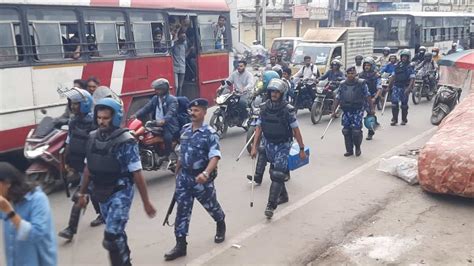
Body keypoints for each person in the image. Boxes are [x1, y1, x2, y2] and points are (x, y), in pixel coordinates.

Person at [77, 98, 157, 265]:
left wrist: (146, 202)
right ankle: (125, 259)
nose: (101, 121)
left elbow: (137, 173)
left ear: (114, 117)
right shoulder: (92, 138)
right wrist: (82, 193)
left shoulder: (126, 141)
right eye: (99, 118)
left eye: (105, 118)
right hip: (101, 191)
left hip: (121, 191)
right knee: (116, 232)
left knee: (111, 236)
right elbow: (88, 168)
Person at [164, 98, 226, 261]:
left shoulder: (209, 134)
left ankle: (220, 222)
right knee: (182, 212)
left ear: (205, 112)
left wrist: (205, 173)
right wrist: (177, 170)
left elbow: (215, 156)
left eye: (196, 110)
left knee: (211, 206)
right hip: (184, 177)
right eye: (191, 110)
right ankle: (180, 245)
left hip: (201, 179)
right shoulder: (185, 130)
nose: (192, 113)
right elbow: (182, 152)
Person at [251, 79, 306, 218]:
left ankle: (271, 205)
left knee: (278, 174)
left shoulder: (288, 110)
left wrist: (301, 148)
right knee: (273, 172)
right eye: (272, 91)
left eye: (277, 92)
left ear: (282, 93)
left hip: (283, 145)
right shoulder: (263, 108)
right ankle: (284, 195)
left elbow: (296, 130)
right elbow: (258, 128)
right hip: (268, 142)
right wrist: (254, 147)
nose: (274, 94)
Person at [57, 88, 103, 240]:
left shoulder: (94, 122)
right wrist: (66, 161)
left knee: (80, 195)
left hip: (91, 165)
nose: (72, 106)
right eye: (71, 103)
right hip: (79, 164)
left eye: (76, 104)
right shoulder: (73, 121)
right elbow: (70, 141)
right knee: (93, 191)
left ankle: (71, 229)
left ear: (84, 104)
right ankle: (103, 215)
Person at [0, 162, 57, 266]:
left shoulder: (37, 199)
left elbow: (36, 233)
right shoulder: (8, 200)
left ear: (7, 183)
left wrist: (10, 212)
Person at [131, 78, 179, 161]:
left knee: (167, 137)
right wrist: (136, 115)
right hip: (156, 124)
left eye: (158, 89)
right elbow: (146, 108)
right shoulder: (155, 98)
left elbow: (171, 112)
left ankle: (168, 155)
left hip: (169, 125)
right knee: (142, 133)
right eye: (156, 89)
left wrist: (164, 120)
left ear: (164, 89)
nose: (156, 91)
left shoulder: (172, 100)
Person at [331, 66, 374, 156]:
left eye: (352, 73)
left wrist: (372, 108)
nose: (350, 75)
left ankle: (357, 148)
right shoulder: (342, 84)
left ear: (355, 74)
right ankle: (349, 150)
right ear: (346, 74)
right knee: (346, 131)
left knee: (356, 131)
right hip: (346, 110)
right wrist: (333, 110)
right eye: (349, 73)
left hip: (357, 110)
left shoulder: (361, 84)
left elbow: (367, 96)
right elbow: (338, 98)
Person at [387, 49, 415, 126]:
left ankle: (404, 119)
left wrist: (409, 88)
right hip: (396, 86)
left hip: (405, 86)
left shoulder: (410, 67)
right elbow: (393, 76)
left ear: (408, 57)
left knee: (404, 105)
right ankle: (394, 119)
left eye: (405, 57)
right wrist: (389, 86)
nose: (404, 58)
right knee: (394, 104)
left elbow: (412, 78)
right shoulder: (397, 66)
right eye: (403, 56)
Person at [358, 58, 382, 141]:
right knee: (358, 115)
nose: (366, 67)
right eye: (365, 65)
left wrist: (374, 98)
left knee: (370, 115)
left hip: (372, 97)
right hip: (361, 98)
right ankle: (357, 132)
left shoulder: (376, 76)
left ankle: (370, 132)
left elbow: (379, 88)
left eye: (368, 65)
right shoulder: (360, 75)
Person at [171, 30, 187, 96]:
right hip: (175, 67)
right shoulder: (174, 44)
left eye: (185, 36)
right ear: (179, 36)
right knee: (176, 86)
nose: (184, 38)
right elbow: (170, 53)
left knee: (180, 86)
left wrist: (190, 50)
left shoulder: (185, 45)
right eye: (182, 36)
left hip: (183, 67)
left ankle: (179, 99)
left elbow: (185, 55)